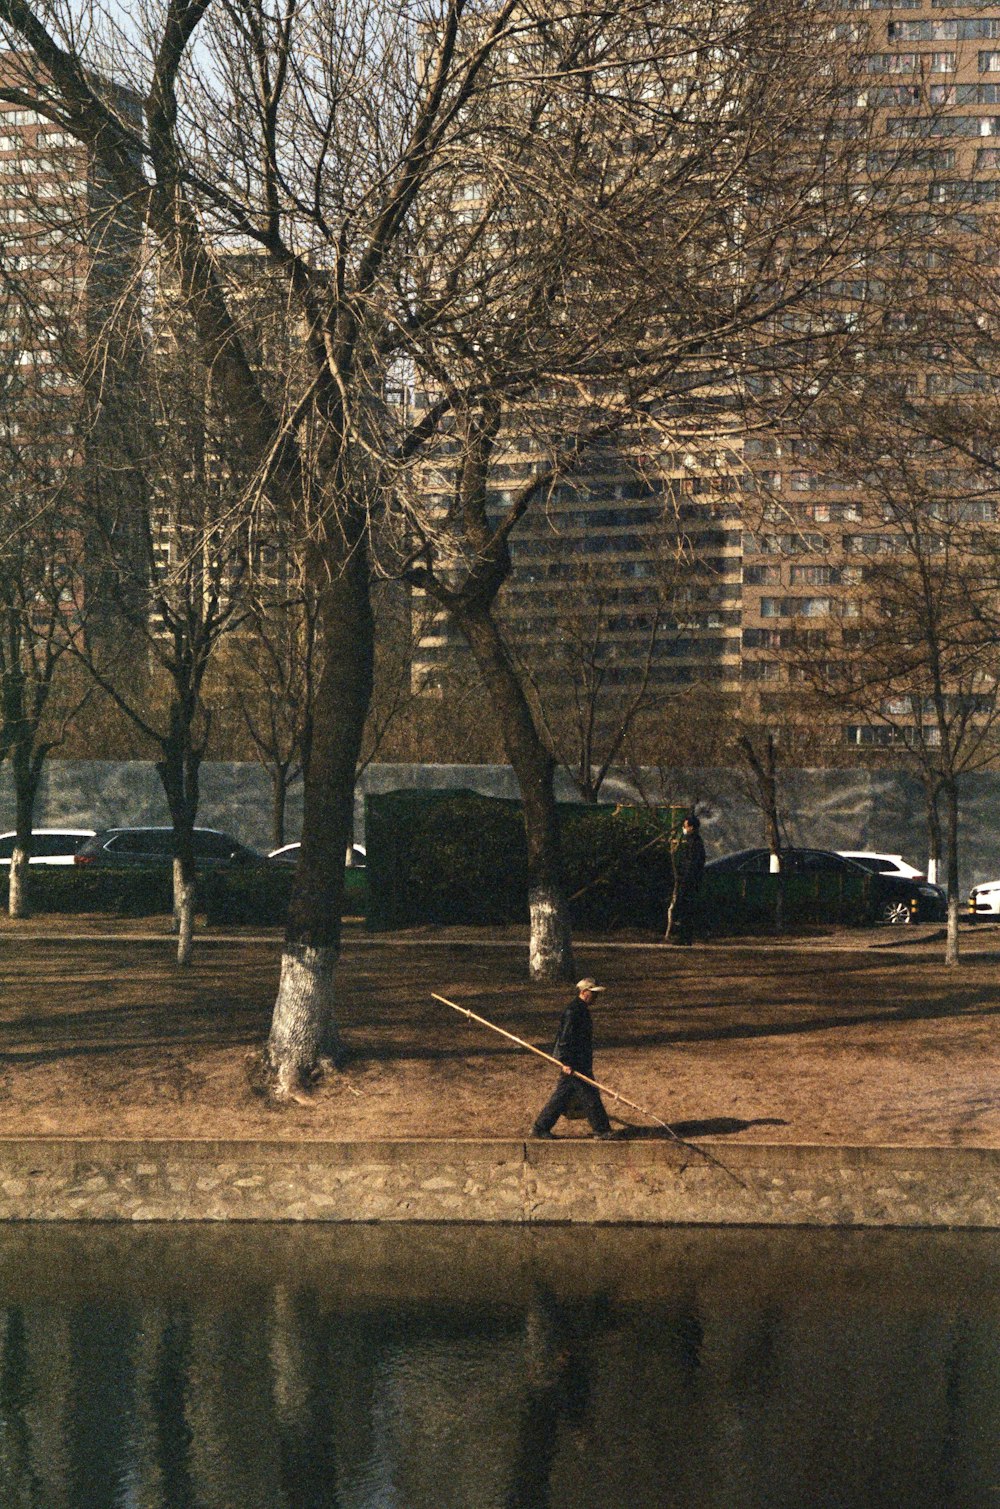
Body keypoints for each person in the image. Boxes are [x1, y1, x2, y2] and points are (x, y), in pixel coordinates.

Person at [531, 978, 613, 1139]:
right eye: (593, 993)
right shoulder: (574, 1011)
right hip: (574, 1063)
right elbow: (565, 1038)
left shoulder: (580, 1009)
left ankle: (541, 1127)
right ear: (584, 992)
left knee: (563, 1096)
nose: (596, 997)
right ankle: (602, 1129)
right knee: (589, 1094)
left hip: (579, 1061)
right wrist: (566, 1063)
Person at [669, 813, 706, 946]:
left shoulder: (694, 843)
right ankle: (684, 936)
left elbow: (692, 863)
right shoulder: (692, 841)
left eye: (685, 826)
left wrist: (685, 877)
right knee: (684, 908)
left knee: (686, 908)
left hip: (689, 880)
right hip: (688, 879)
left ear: (691, 827)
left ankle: (685, 937)